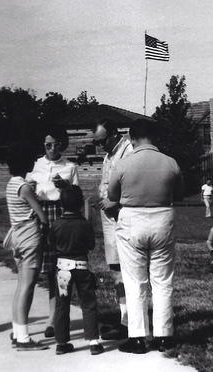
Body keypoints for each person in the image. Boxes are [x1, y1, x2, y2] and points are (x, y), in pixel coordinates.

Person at [108, 119, 183, 354]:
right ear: (155, 137)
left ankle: (138, 337)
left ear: (132, 138)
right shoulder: (170, 163)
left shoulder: (123, 164)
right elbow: (179, 193)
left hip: (132, 220)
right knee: (162, 280)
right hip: (162, 218)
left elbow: (112, 194)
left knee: (134, 281)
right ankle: (164, 336)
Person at [26, 126, 79, 338]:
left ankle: (55, 319)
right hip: (40, 213)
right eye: (48, 144)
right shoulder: (37, 164)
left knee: (61, 268)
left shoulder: (69, 166)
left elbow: (75, 195)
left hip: (61, 212)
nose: (52, 148)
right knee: (47, 270)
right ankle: (51, 318)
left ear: (62, 144)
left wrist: (65, 186)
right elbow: (28, 190)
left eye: (56, 144)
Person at [4, 143, 50, 350]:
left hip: (17, 237)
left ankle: (17, 332)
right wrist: (46, 224)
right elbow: (40, 213)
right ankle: (23, 338)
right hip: (30, 237)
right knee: (28, 286)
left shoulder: (12, 184)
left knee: (21, 285)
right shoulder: (24, 186)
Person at [50, 186, 104, 356]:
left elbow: (51, 244)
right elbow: (91, 245)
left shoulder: (56, 225)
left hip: (62, 270)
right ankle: (94, 342)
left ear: (61, 204)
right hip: (81, 267)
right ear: (81, 204)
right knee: (88, 303)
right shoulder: (85, 225)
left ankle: (62, 342)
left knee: (62, 305)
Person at [92, 119, 133, 340]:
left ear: (114, 134)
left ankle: (132, 322)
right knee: (116, 270)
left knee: (129, 270)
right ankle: (124, 320)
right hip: (108, 218)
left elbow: (134, 186)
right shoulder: (109, 155)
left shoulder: (128, 151)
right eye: (97, 142)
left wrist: (115, 203)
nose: (100, 146)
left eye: (102, 141)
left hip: (123, 216)